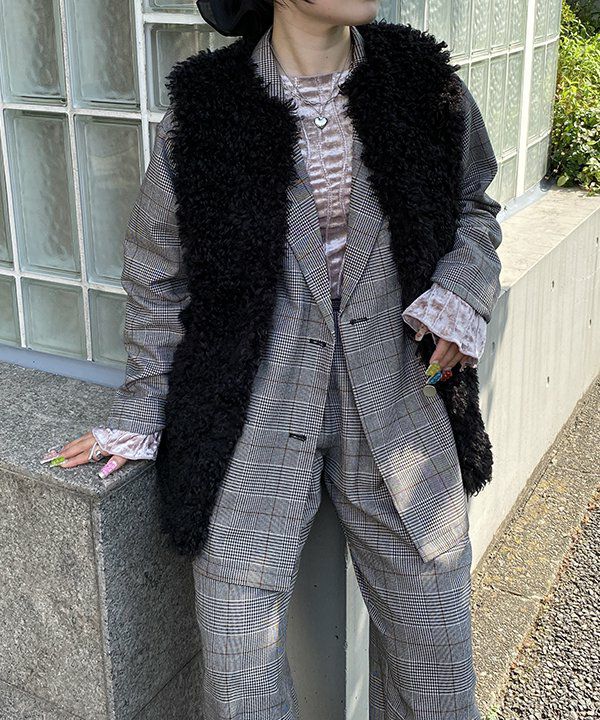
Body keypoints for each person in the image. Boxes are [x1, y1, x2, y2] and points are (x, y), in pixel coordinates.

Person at [43, 1, 502, 717]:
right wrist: (141, 410)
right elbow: (157, 272)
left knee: (437, 658)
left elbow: (474, 206)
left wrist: (459, 291)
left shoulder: (421, 79)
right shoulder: (207, 109)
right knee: (239, 663)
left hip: (401, 399)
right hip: (256, 407)